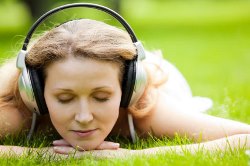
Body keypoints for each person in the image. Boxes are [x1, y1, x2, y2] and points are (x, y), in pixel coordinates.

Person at [0, 18, 249, 157]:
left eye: (101, 97)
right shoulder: (17, 106)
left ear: (129, 88)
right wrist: (44, 155)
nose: (84, 117)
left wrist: (131, 157)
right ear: (34, 91)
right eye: (65, 98)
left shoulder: (144, 105)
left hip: (160, 73)